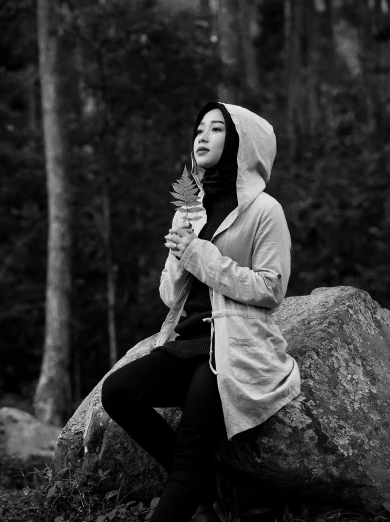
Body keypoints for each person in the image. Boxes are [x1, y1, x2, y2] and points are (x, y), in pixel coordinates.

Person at [100, 102, 301, 522]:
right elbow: (168, 293)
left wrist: (199, 253)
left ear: (243, 142)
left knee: (190, 450)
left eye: (216, 129)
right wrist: (180, 253)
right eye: (198, 130)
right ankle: (205, 483)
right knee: (117, 392)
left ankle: (195, 489)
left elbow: (271, 288)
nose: (202, 136)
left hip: (235, 342)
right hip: (190, 342)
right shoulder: (191, 207)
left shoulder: (266, 210)